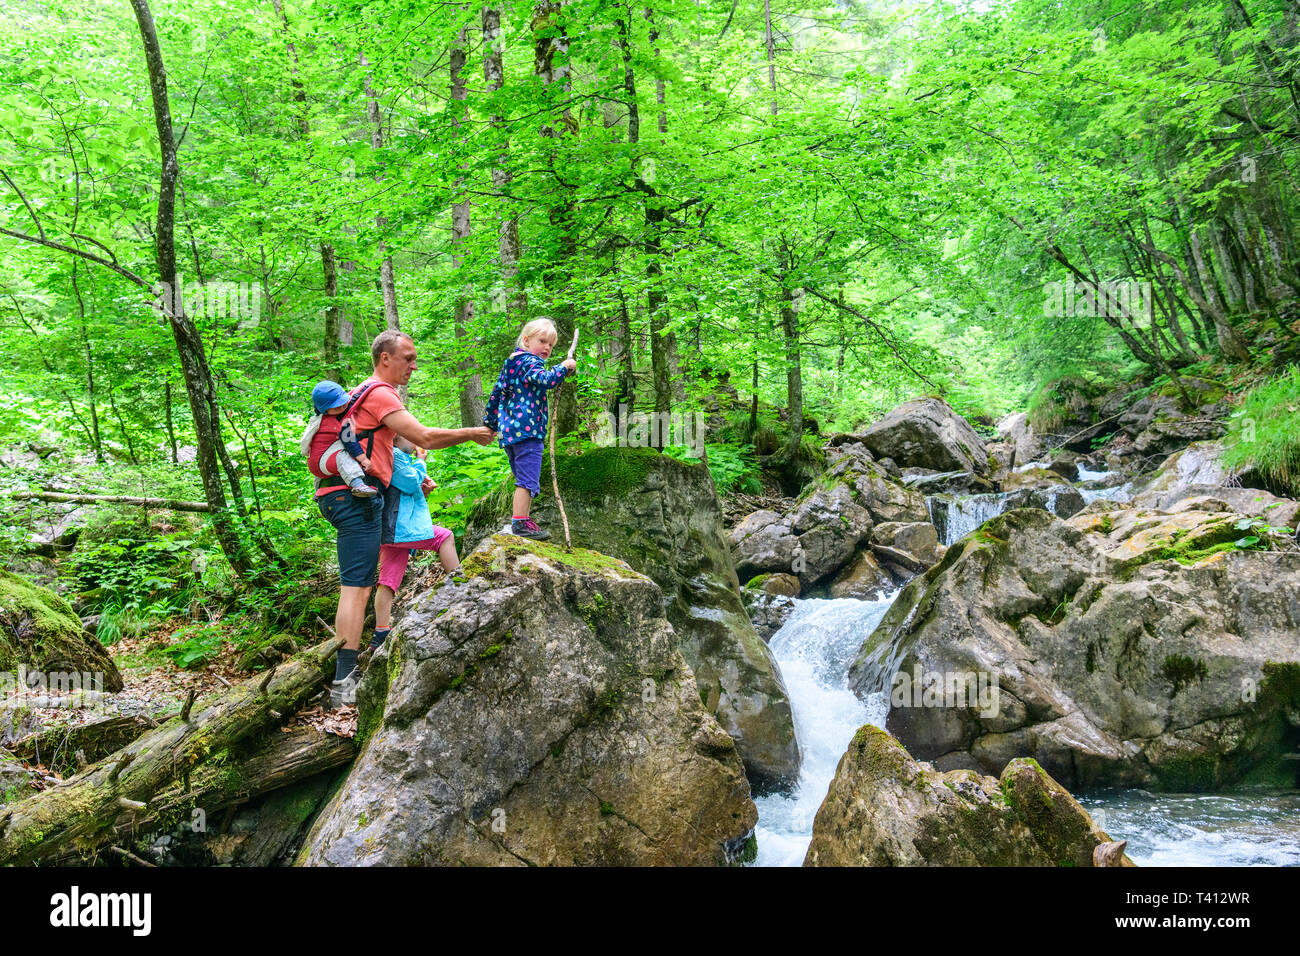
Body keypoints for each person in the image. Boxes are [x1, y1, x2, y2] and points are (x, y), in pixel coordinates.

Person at [316, 330, 493, 708]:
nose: (414, 365)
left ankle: (361, 657)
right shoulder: (379, 392)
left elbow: (390, 446)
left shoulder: (362, 391)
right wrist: (473, 433)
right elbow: (424, 437)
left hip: (348, 496)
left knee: (368, 578)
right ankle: (343, 685)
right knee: (356, 588)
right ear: (385, 358)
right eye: (408, 358)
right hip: (351, 497)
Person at [482, 317, 576, 541]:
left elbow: (496, 394)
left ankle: (522, 518)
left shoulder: (512, 363)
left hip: (511, 433)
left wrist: (490, 424)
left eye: (551, 345)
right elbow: (546, 380)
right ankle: (520, 523)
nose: (547, 348)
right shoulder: (530, 362)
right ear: (526, 339)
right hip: (528, 431)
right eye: (542, 341)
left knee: (523, 476)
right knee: (527, 480)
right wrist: (564, 367)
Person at [368, 436, 459, 651]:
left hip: (390, 530)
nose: (415, 440)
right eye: (410, 436)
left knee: (388, 580)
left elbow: (404, 492)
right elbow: (408, 482)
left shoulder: (390, 455)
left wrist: (424, 486)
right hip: (400, 528)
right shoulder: (395, 454)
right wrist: (421, 461)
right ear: (396, 438)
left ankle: (381, 632)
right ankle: (462, 585)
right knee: (444, 537)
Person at [300, 381, 379, 498]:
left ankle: (318, 492)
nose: (343, 406)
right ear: (325, 409)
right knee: (342, 457)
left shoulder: (319, 420)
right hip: (325, 461)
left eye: (343, 402)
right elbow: (349, 441)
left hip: (314, 463)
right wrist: (363, 459)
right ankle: (358, 484)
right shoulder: (339, 421)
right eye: (337, 407)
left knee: (335, 457)